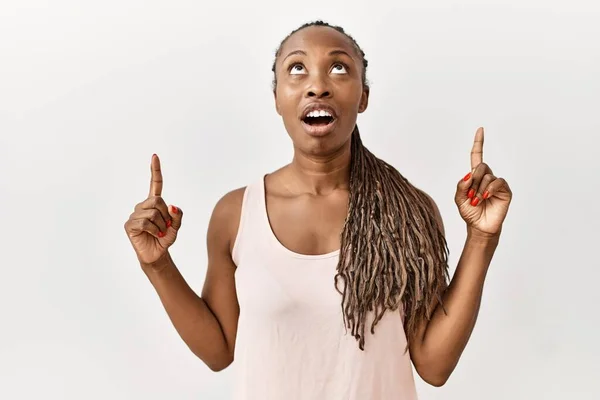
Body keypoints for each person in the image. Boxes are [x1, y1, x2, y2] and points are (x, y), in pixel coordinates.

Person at [124, 20, 513, 400]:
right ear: (277, 98)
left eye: (339, 68)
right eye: (297, 69)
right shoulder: (236, 213)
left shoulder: (407, 211)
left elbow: (434, 365)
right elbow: (219, 350)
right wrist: (157, 265)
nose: (318, 86)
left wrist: (482, 238)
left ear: (363, 96)